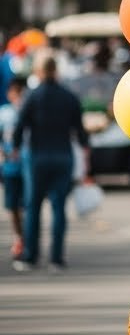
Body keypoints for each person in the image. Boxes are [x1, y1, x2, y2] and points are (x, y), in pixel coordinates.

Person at [11, 57, 90, 272]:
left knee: (33, 206)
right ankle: (56, 258)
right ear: (56, 71)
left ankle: (30, 256)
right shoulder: (69, 97)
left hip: (36, 156)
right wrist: (85, 149)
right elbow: (80, 130)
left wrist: (16, 147)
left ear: (38, 71)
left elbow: (20, 125)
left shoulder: (32, 96)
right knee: (58, 208)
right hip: (62, 155)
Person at [0, 77, 27, 259]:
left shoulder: (29, 110)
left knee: (27, 205)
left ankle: (27, 239)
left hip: (28, 166)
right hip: (10, 166)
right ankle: (19, 237)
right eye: (14, 92)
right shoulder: (4, 113)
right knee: (12, 206)